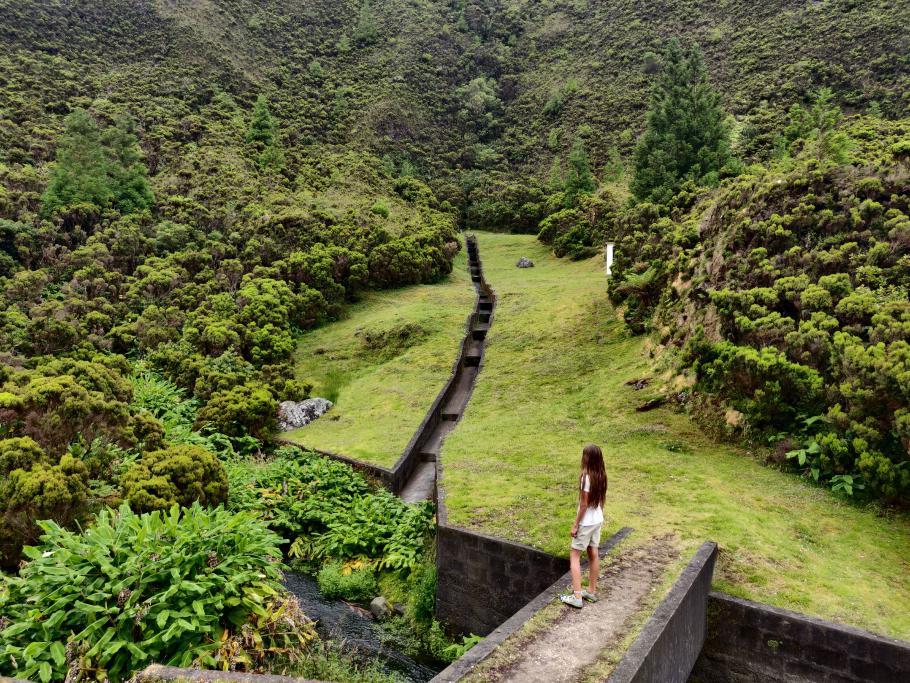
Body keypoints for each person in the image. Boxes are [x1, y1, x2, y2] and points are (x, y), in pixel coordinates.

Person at [560, 443, 607, 608]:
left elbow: (584, 504)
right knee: (593, 552)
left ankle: (577, 597)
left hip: (586, 522)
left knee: (574, 556)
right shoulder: (601, 475)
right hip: (597, 519)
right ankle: (591, 592)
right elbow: (601, 500)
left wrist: (575, 525)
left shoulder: (586, 476)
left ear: (587, 458)